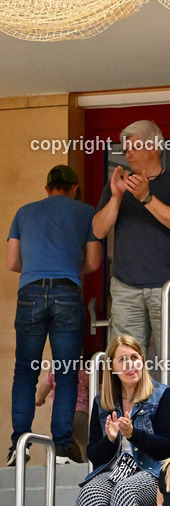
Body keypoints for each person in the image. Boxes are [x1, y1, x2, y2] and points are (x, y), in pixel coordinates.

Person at [60, 335, 170, 506]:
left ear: (143, 361)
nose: (130, 364)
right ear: (112, 366)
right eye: (122, 359)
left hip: (153, 474)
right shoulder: (102, 403)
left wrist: (134, 435)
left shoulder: (162, 395)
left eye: (135, 358)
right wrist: (111, 439)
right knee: (90, 492)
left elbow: (168, 448)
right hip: (115, 472)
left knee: (125, 491)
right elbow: (94, 455)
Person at [8, 164, 101, 465]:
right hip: (67, 292)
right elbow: (94, 262)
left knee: (25, 371)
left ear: (47, 188)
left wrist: (38, 270)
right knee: (66, 372)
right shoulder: (86, 212)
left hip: (30, 294)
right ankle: (62, 447)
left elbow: (12, 262)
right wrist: (69, 270)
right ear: (74, 188)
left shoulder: (24, 212)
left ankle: (19, 445)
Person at [92, 120, 170, 374]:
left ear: (155, 147)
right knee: (126, 364)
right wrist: (116, 196)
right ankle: (131, 404)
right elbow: (98, 230)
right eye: (125, 149)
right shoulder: (119, 186)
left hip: (168, 286)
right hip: (126, 287)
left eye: (134, 147)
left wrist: (146, 197)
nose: (128, 154)